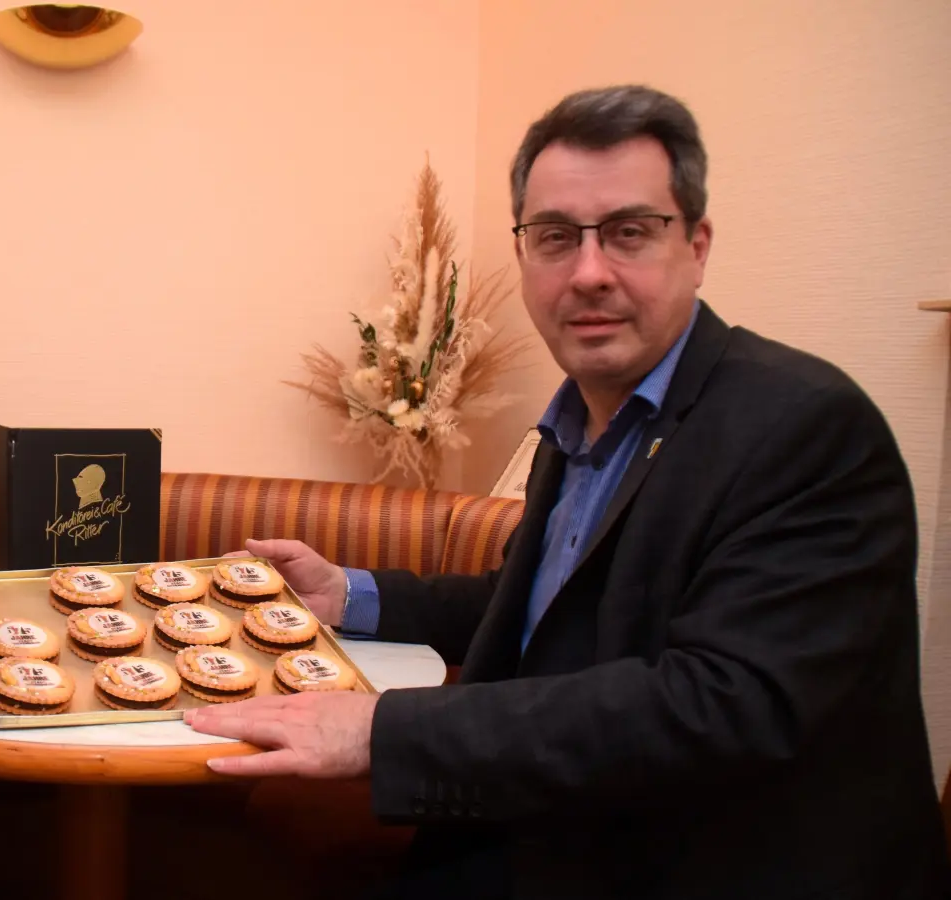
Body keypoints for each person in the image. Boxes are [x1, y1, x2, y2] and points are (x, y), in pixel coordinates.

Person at [187, 84, 951, 899]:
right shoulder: (581, 419)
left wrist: (383, 729)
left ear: (696, 245)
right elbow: (544, 615)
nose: (588, 273)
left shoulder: (805, 424)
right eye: (555, 237)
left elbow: (722, 705)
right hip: (570, 826)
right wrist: (348, 595)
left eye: (629, 232)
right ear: (524, 256)